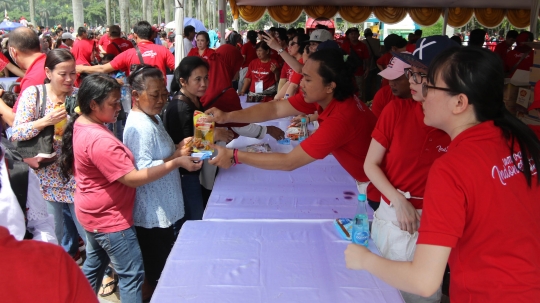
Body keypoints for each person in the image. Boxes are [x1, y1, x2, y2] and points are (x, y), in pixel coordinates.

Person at [345, 46, 540, 303]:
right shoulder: (519, 140)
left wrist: (364, 259)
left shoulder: (452, 168)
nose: (422, 94)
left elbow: (423, 281)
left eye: (430, 86)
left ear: (459, 102)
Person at [58, 73, 200, 303]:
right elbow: (132, 177)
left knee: (94, 265)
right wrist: (176, 161)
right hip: (110, 219)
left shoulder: (86, 124)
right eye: (113, 103)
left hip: (94, 213)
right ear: (93, 104)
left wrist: (174, 151)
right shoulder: (100, 138)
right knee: (132, 276)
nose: (118, 107)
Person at [364, 36, 456, 303]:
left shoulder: (459, 124)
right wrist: (398, 200)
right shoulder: (397, 109)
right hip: (393, 215)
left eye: (420, 75)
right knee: (381, 291)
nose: (412, 81)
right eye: (411, 74)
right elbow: (371, 164)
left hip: (434, 223)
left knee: (422, 295)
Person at [207, 48, 376, 191]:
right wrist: (228, 116)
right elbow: (275, 108)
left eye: (308, 79)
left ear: (330, 86)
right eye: (302, 76)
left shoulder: (341, 118)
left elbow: (289, 162)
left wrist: (234, 155)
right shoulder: (328, 98)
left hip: (378, 188)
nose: (301, 84)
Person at [123, 65, 200, 300]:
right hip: (153, 212)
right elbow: (143, 170)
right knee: (157, 274)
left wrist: (178, 148)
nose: (161, 100)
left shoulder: (152, 117)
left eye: (164, 94)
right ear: (136, 96)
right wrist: (177, 159)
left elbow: (159, 155)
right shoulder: (139, 126)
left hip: (163, 206)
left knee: (160, 268)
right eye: (154, 95)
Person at [11, 49, 86, 264]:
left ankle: (100, 276)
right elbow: (16, 132)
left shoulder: (78, 95)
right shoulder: (34, 94)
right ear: (48, 72)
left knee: (90, 235)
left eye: (73, 73)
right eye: (63, 74)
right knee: (52, 236)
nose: (70, 79)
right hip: (45, 177)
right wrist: (46, 121)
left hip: (76, 176)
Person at [164, 57, 233, 222]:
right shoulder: (180, 108)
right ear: (183, 81)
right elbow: (185, 149)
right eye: (198, 79)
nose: (204, 83)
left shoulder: (193, 100)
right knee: (194, 219)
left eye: (206, 77)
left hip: (196, 171)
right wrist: (214, 135)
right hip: (185, 175)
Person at [76, 21, 175, 80]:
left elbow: (103, 69)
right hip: (160, 98)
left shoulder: (129, 54)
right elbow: (178, 67)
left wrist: (82, 69)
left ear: (135, 35)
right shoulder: (163, 50)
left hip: (138, 100)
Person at [7, 27, 48, 123]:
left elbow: (16, 121)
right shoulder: (48, 62)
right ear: (40, 47)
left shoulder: (33, 78)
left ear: (13, 51)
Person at [274, 33, 309, 100]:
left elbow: (293, 86)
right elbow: (288, 82)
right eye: (288, 45)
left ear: (300, 45)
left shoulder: (301, 62)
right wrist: (277, 98)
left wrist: (284, 102)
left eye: (292, 44)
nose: (289, 47)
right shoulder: (297, 62)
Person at [340, 27, 370, 100]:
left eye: (355, 34)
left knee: (360, 91)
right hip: (347, 73)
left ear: (358, 35)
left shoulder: (363, 46)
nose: (353, 35)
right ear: (348, 35)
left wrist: (367, 68)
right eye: (351, 34)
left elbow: (366, 58)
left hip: (359, 73)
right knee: (347, 90)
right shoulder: (344, 45)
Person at [363, 28, 382, 101]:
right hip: (377, 64)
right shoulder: (377, 41)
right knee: (377, 83)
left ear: (365, 35)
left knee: (368, 84)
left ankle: (368, 99)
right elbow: (379, 52)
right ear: (371, 34)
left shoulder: (363, 42)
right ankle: (377, 98)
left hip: (369, 66)